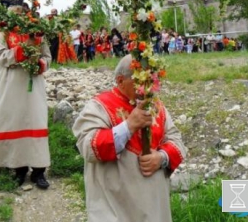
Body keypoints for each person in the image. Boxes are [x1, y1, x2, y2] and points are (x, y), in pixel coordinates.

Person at [73, 55, 185, 222]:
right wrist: (129, 126)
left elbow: (176, 139)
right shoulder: (99, 106)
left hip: (155, 206)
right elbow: (88, 147)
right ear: (120, 81)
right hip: (116, 207)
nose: (147, 88)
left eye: (150, 80)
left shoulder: (156, 106)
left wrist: (162, 157)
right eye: (140, 81)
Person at [0, 6, 52, 189]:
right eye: (16, 15)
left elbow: (47, 57)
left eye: (22, 15)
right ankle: (19, 169)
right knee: (16, 122)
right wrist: (21, 53)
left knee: (36, 122)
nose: (20, 18)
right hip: (11, 85)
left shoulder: (38, 34)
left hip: (34, 85)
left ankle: (39, 171)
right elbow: (0, 56)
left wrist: (40, 64)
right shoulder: (3, 34)